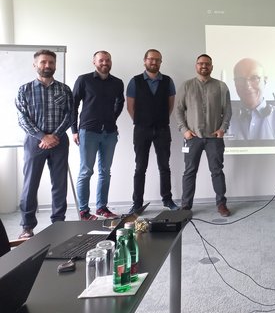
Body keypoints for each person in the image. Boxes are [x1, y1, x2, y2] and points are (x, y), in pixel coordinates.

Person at [15, 50, 74, 239]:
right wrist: (42, 136)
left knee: (59, 184)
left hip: (59, 141)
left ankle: (58, 222)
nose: (47, 65)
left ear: (55, 65)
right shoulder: (24, 90)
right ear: (35, 65)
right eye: (43, 62)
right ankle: (27, 226)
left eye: (51, 62)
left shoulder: (64, 89)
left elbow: (71, 115)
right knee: (30, 184)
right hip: (34, 142)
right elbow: (22, 118)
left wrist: (54, 135)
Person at [175, 54, 232, 216]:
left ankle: (221, 204)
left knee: (217, 171)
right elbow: (178, 110)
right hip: (192, 138)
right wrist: (184, 130)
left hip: (214, 138)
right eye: (200, 63)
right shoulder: (186, 86)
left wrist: (223, 128)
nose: (204, 66)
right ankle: (186, 206)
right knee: (189, 171)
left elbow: (227, 111)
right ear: (196, 66)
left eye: (207, 64)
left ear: (212, 67)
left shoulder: (221, 87)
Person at [72, 51, 124, 220]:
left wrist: (111, 119)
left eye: (108, 60)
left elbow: (120, 102)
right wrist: (74, 130)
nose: (105, 63)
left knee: (105, 171)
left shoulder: (117, 82)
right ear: (94, 62)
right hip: (88, 131)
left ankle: (102, 208)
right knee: (86, 171)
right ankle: (84, 211)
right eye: (101, 60)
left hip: (109, 133)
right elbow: (73, 105)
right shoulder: (84, 80)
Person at [126, 49, 178, 214]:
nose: (154, 62)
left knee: (164, 166)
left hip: (163, 129)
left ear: (161, 62)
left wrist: (159, 119)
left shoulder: (168, 81)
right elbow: (130, 107)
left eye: (157, 60)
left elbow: (170, 105)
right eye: (151, 59)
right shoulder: (135, 81)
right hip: (141, 130)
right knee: (140, 167)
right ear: (145, 61)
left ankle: (167, 200)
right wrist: (143, 121)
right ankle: (137, 203)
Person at [227, 58, 275, 140]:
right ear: (235, 83)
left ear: (265, 81)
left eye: (254, 78)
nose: (247, 85)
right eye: (241, 79)